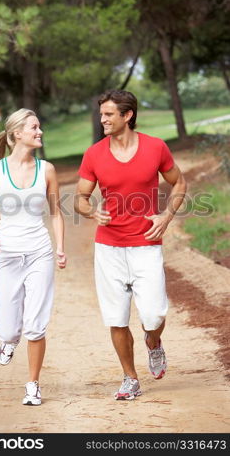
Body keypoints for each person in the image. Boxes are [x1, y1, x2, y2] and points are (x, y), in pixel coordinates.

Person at [74, 90, 186, 401]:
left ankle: (154, 342)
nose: (103, 120)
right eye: (101, 114)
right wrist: (92, 211)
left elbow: (179, 181)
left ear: (128, 116)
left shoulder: (155, 147)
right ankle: (130, 378)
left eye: (109, 114)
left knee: (153, 315)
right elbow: (80, 198)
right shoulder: (94, 154)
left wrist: (166, 216)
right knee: (116, 317)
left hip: (146, 245)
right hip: (109, 248)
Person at [0, 108, 66, 406]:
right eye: (34, 127)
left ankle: (33, 385)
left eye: (39, 127)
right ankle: (9, 340)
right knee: (9, 328)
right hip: (8, 255)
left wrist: (60, 247)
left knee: (36, 325)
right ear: (17, 134)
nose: (40, 132)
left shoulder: (47, 169)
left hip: (39, 252)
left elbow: (56, 214)